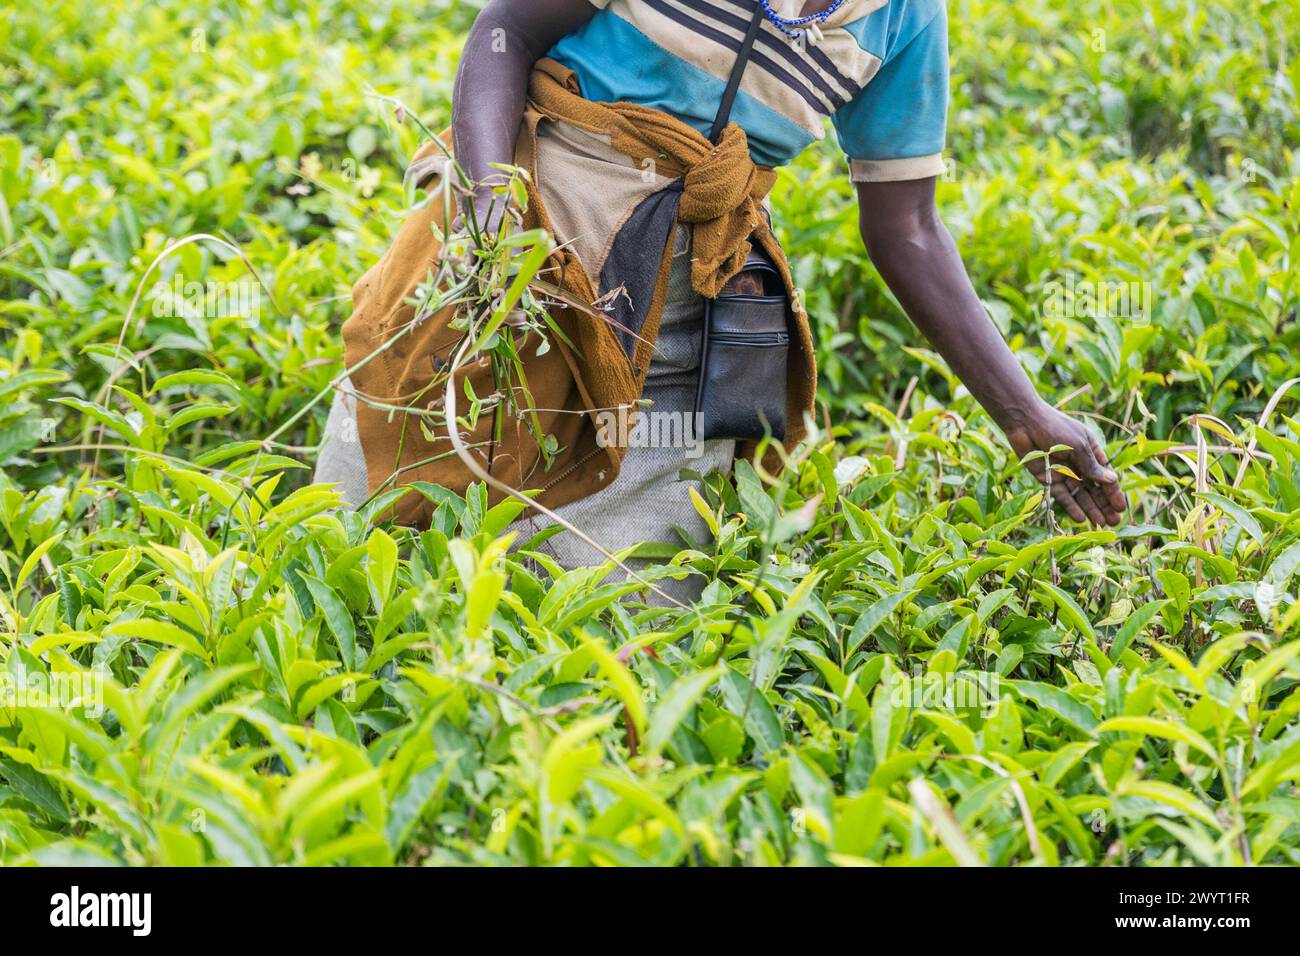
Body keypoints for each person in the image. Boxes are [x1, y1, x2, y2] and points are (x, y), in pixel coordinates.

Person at [317, 0, 1126, 589]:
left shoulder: (904, 18)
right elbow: (505, 32)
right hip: (517, 250)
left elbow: (906, 228)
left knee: (619, 613)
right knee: (381, 537)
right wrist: (488, 205)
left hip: (676, 313)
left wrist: (1025, 416)